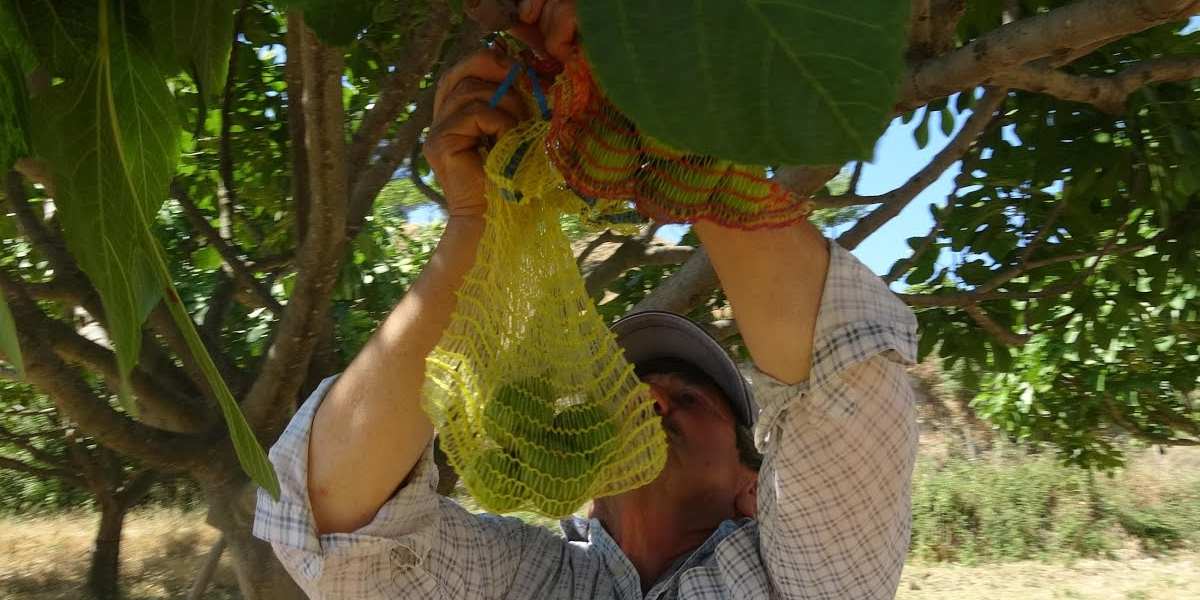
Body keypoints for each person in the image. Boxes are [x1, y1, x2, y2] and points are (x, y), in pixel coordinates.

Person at [253, 1, 919, 597]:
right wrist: (472, 223)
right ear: (586, 492)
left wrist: (671, 108)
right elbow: (331, 524)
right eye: (629, 400)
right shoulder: (527, 577)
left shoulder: (792, 577)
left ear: (755, 490)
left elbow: (848, 382)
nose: (650, 399)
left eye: (691, 397)